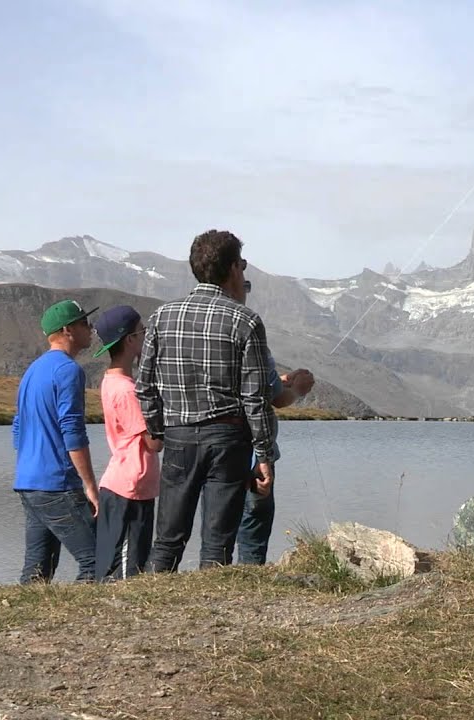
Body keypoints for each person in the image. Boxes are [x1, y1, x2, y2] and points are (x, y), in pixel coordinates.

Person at [136, 230, 277, 571]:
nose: (243, 272)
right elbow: (254, 398)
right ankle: (209, 613)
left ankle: (151, 604)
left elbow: (145, 386)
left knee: (167, 539)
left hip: (179, 436)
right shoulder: (246, 321)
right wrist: (265, 455)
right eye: (242, 265)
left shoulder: (161, 318)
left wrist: (158, 429)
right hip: (229, 440)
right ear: (231, 269)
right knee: (217, 545)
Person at [12, 299, 99, 583]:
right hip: (56, 484)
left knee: (37, 570)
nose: (91, 328)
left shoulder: (32, 371)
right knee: (98, 561)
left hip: (29, 481)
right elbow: (72, 431)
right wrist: (89, 485)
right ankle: (88, 623)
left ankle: (29, 623)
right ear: (68, 330)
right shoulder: (68, 370)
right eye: (85, 323)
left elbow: (18, 428)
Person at [92, 306, 163, 581]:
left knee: (119, 562)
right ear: (130, 340)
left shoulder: (113, 381)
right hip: (131, 486)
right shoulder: (127, 390)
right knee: (128, 568)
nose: (146, 337)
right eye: (142, 331)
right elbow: (153, 443)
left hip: (128, 483)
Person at [236, 358, 314, 565]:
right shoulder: (251, 337)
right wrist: (297, 389)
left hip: (210, 449)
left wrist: (281, 380)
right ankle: (250, 581)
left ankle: (215, 576)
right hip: (253, 455)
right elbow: (276, 398)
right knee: (253, 524)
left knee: (217, 524)